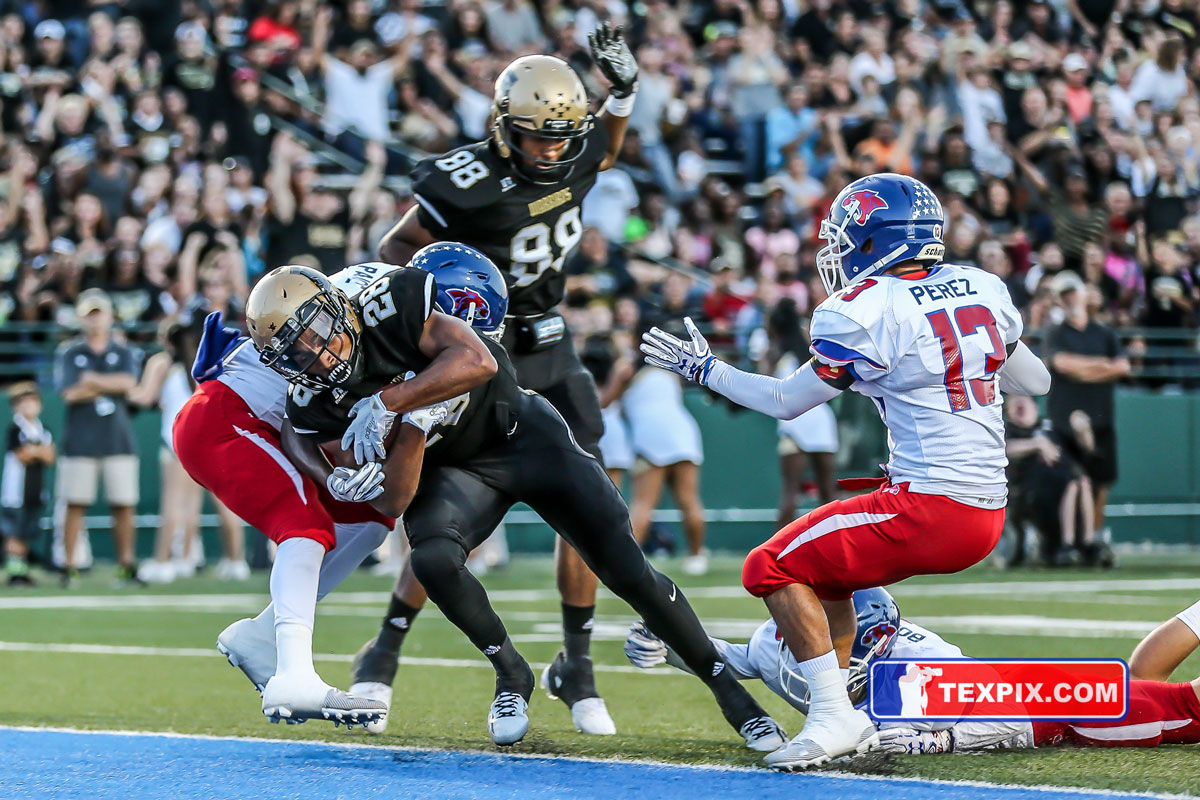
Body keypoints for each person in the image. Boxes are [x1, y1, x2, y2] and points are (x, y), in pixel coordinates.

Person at [251, 245, 785, 750]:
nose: (315, 354)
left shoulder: (391, 302)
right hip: (453, 466)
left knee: (626, 568)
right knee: (434, 558)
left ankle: (732, 695)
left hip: (520, 433)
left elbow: (478, 363)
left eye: (317, 332)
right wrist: (358, 458)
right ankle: (511, 671)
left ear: (341, 309)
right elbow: (391, 499)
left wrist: (389, 399)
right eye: (295, 351)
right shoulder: (313, 394)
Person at [641, 172, 1052, 769]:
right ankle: (835, 711)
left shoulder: (867, 308)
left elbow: (787, 401)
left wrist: (708, 370)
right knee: (829, 580)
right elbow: (1034, 382)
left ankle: (835, 718)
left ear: (875, 241)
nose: (837, 253)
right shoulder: (981, 285)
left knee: (770, 565)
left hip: (928, 507)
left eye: (846, 238)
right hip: (984, 509)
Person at [369, 25, 640, 735]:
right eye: (536, 137)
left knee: (592, 504)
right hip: (485, 360)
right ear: (503, 126)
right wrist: (439, 319)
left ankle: (575, 665)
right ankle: (387, 646)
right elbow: (396, 249)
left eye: (561, 136)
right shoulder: (469, 181)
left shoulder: (576, 152)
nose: (551, 150)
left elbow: (601, 151)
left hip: (552, 349)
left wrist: (623, 96)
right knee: (447, 511)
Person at [174, 311, 411, 728]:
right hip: (225, 417)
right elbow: (311, 428)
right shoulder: (370, 321)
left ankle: (260, 638)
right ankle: (295, 676)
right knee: (304, 524)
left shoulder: (372, 328)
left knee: (369, 520)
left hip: (257, 422)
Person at [627, 588, 1200, 754]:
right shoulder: (771, 645)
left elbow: (1015, 709)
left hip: (1022, 701)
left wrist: (941, 738)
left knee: (1091, 697)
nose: (867, 648)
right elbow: (730, 657)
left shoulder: (915, 655)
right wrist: (673, 645)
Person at [129, 318, 249, 583]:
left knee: (173, 505)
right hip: (212, 441)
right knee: (217, 504)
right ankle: (233, 561)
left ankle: (162, 563)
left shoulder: (161, 362)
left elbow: (144, 397)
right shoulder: (212, 363)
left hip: (179, 443)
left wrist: (123, 388)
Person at [53, 289, 144, 587]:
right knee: (75, 503)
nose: (95, 320)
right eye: (89, 314)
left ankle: (126, 566)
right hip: (80, 440)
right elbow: (69, 394)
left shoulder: (124, 351)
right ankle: (69, 566)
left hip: (117, 439)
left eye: (100, 313)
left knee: (124, 504)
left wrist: (91, 381)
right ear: (81, 318)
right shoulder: (69, 352)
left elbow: (129, 383)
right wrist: (109, 385)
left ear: (109, 316)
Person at [1042, 271, 1130, 552]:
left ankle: (1093, 537)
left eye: (1072, 293)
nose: (1070, 299)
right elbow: (1062, 363)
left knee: (1101, 482)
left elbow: (1122, 367)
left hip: (1101, 416)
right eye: (1063, 295)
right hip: (1064, 421)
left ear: (1082, 294)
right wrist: (1102, 368)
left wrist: (1084, 372)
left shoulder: (1103, 332)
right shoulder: (1056, 332)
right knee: (1071, 481)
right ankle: (1068, 541)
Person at [1, 382, 54, 585]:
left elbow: (50, 456)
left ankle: (22, 571)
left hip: (35, 491)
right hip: (15, 494)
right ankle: (14, 572)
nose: (29, 406)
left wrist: (35, 451)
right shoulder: (15, 430)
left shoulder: (43, 429)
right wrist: (37, 451)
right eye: (23, 403)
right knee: (14, 532)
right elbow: (23, 455)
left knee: (26, 533)